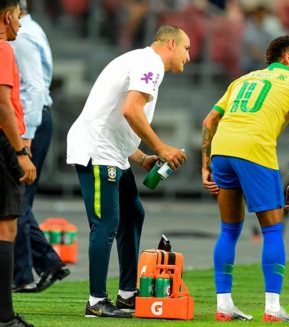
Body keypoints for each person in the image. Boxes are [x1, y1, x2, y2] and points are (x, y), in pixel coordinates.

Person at [66, 24, 189, 318]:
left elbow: (111, 114)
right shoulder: (150, 64)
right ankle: (96, 301)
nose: (189, 56)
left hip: (113, 152)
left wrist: (141, 157)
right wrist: (161, 148)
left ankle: (126, 294)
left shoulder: (139, 61)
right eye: (186, 48)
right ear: (171, 44)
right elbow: (130, 111)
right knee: (106, 223)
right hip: (98, 152)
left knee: (133, 214)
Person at [201, 35, 289, 322]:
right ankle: (273, 308)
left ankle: (224, 305)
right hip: (255, 152)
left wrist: (205, 165)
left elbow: (209, 121)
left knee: (228, 230)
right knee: (273, 231)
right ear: (288, 58)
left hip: (222, 150)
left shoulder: (243, 79)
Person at [10, 0, 70, 294]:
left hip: (28, 124)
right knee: (19, 199)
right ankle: (43, 265)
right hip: (33, 120)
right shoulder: (32, 30)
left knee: (16, 199)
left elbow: (33, 87)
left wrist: (26, 135)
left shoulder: (19, 38)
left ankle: (24, 273)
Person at [0, 0, 37, 326]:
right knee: (6, 226)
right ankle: (4, 316)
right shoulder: (2, 49)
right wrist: (21, 152)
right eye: (19, 18)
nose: (21, 25)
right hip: (2, 145)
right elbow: (3, 104)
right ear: (8, 16)